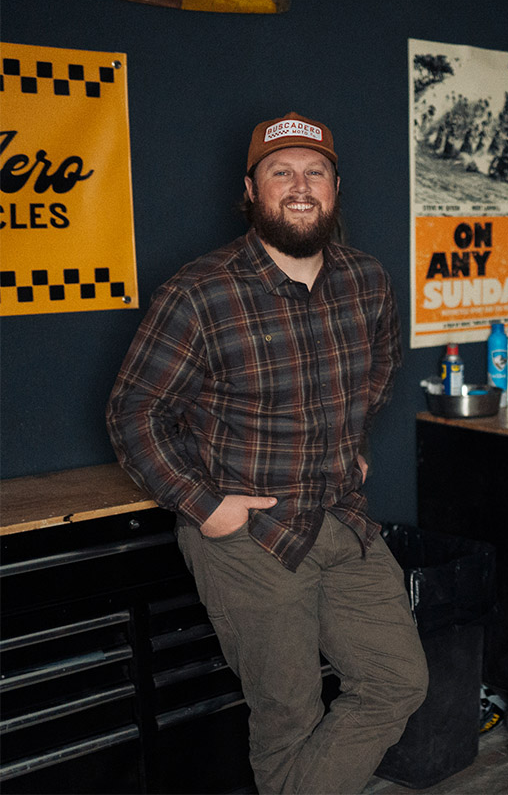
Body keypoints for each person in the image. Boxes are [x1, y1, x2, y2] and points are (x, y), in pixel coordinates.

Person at [106, 112, 427, 793]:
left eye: (315, 172)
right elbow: (135, 413)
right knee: (288, 714)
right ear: (250, 190)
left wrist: (353, 441)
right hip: (248, 535)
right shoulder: (200, 292)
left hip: (340, 516)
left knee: (398, 679)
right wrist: (206, 506)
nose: (300, 186)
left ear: (336, 187)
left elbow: (381, 369)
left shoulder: (367, 280)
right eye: (280, 172)